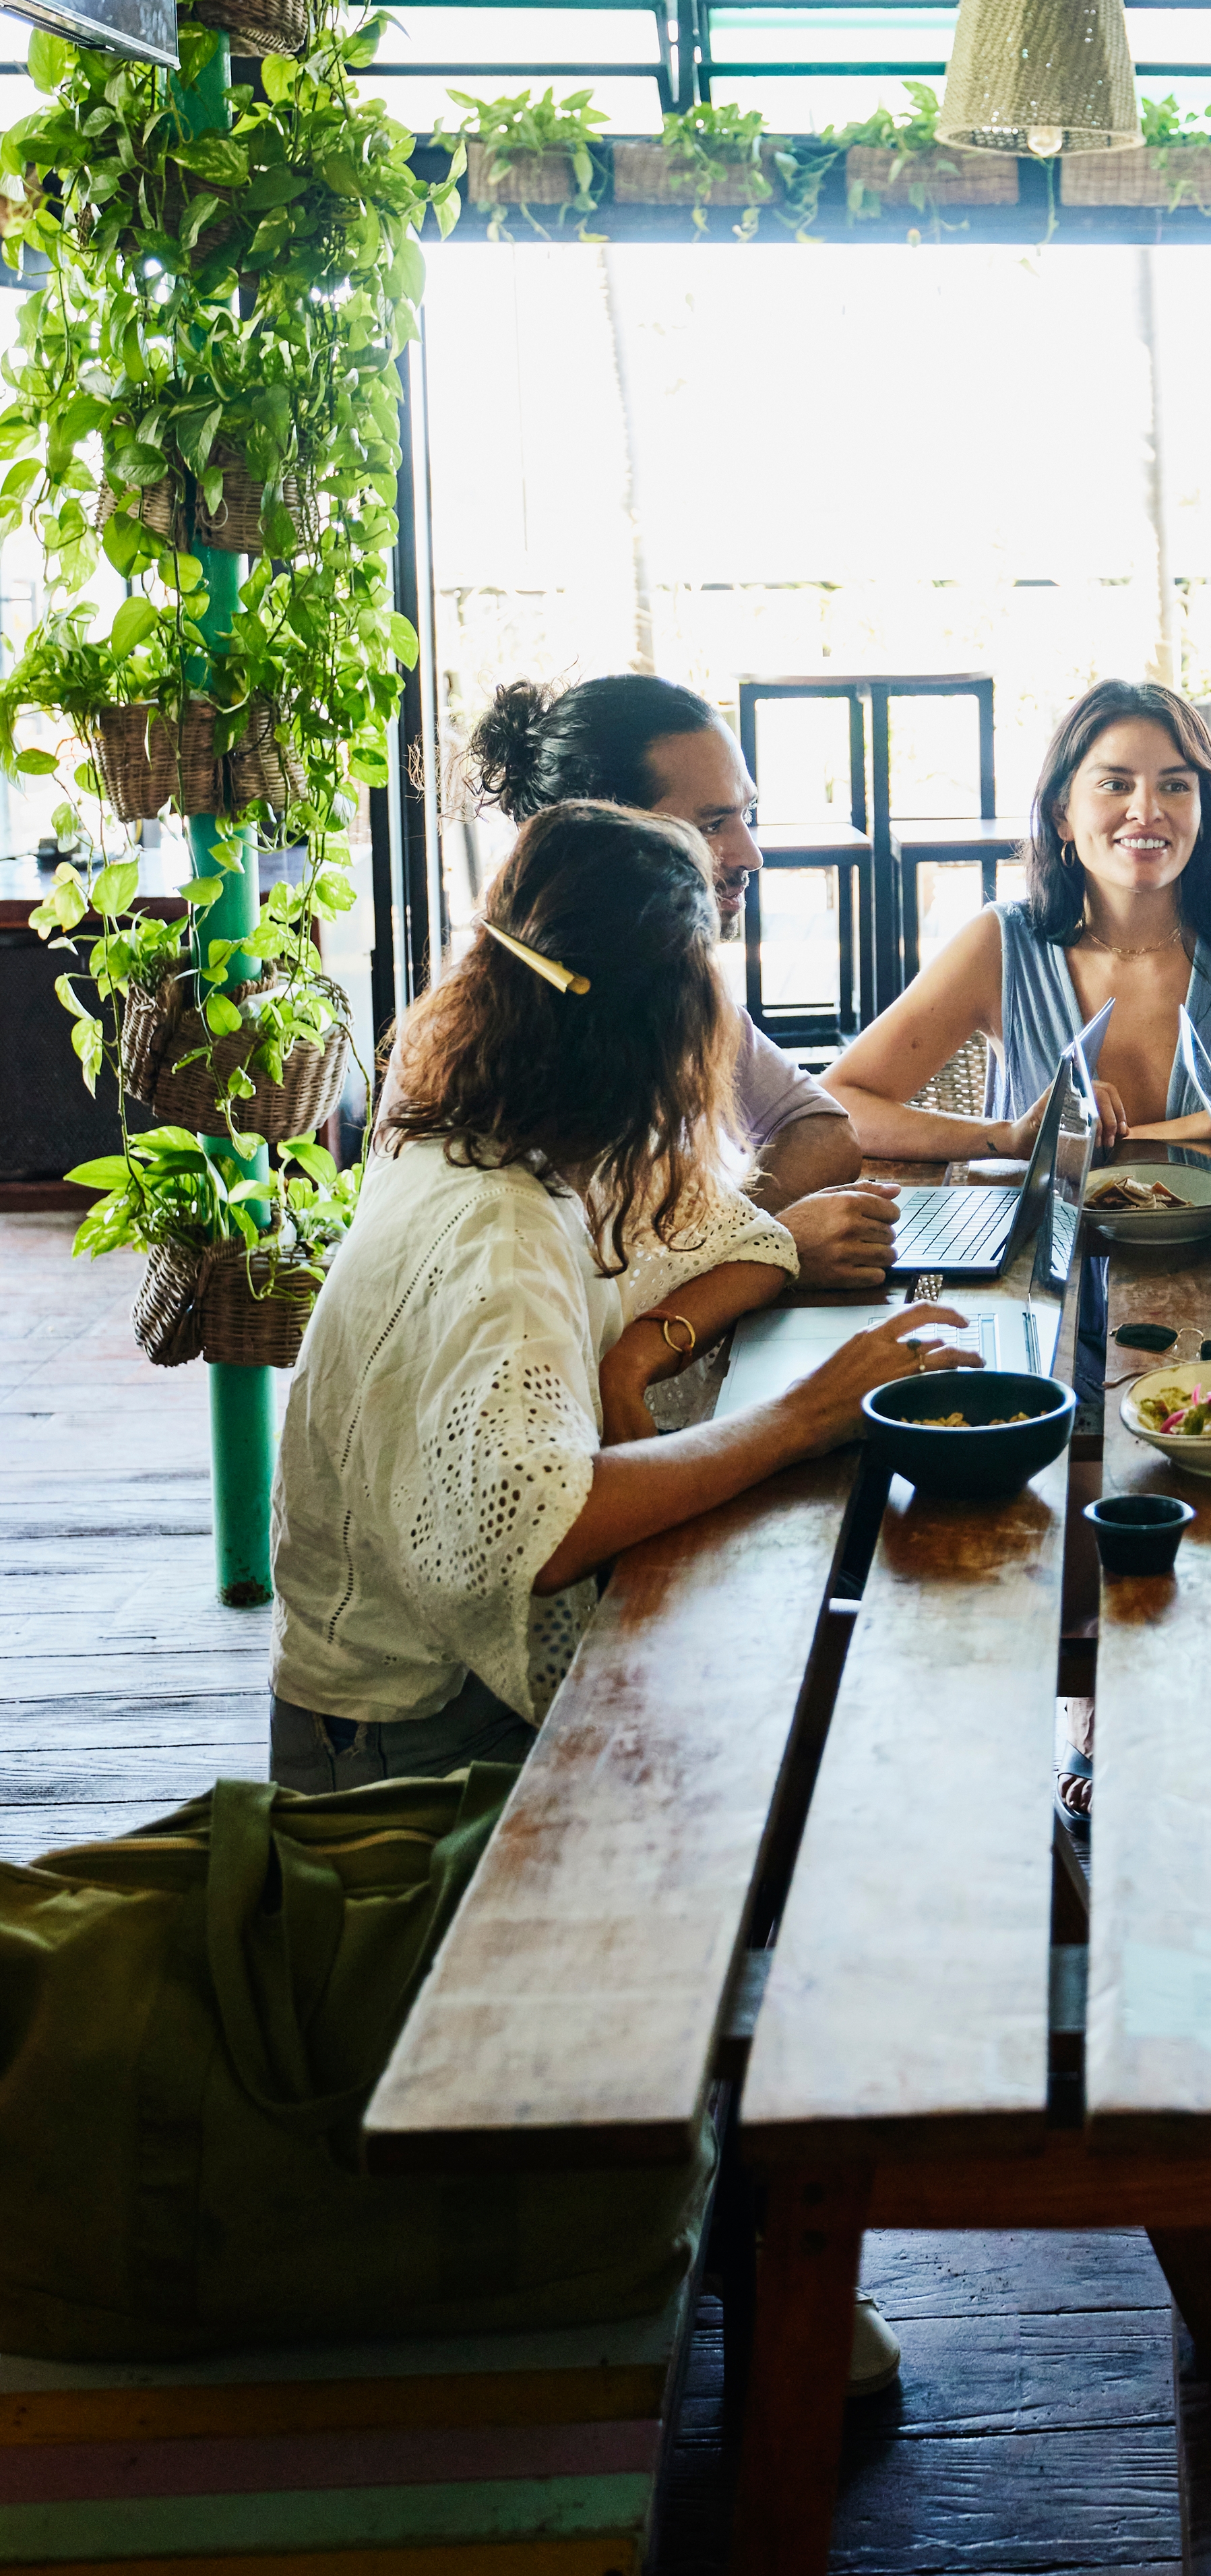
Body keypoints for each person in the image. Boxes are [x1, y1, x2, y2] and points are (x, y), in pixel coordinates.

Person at [271, 800, 969, 2397]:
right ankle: (749, 2252)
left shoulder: (462, 1124)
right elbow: (542, 1521)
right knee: (766, 1776)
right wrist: (797, 1416)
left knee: (775, 1702)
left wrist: (655, 1342)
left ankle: (747, 2207)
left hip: (395, 1704)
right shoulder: (498, 1235)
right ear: (665, 1034)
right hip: (404, 1767)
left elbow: (676, 1242)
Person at [824, 677, 1211, 1156]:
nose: (1147, 810)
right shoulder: (1000, 944)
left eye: (1176, 786)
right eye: (1115, 784)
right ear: (1061, 815)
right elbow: (836, 1106)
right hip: (1045, 1290)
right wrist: (1010, 1137)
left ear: (1204, 809)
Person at [468, 673, 900, 1291]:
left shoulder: (669, 983)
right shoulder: (497, 1027)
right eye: (712, 823)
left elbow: (824, 1132)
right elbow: (550, 1302)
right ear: (608, 837)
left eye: (746, 814)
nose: (751, 854)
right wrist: (765, 1253)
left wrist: (737, 1240)